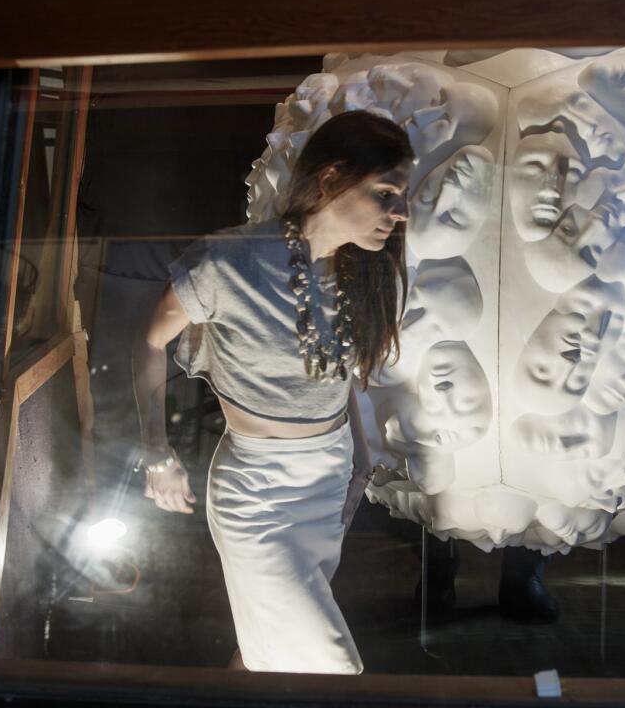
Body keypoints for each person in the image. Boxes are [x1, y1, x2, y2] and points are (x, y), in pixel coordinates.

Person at [132, 110, 414, 675]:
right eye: (385, 193)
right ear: (332, 178)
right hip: (257, 496)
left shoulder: (364, 273)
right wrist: (155, 452)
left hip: (328, 481)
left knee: (271, 655)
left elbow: (344, 380)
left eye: (402, 197)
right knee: (330, 664)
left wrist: (359, 458)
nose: (399, 213)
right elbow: (147, 343)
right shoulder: (229, 260)